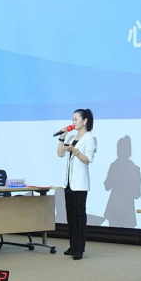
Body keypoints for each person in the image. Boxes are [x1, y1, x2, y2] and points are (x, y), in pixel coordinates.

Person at [56, 108, 97, 260]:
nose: (73, 122)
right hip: (68, 182)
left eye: (76, 119)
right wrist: (62, 138)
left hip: (80, 184)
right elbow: (60, 154)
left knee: (79, 216)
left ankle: (79, 249)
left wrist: (75, 150)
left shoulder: (90, 138)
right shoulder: (72, 137)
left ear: (85, 121)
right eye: (72, 120)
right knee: (70, 216)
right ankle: (72, 246)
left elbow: (88, 160)